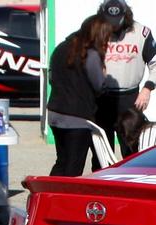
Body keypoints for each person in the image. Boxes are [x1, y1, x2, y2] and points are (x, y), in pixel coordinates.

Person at [47, 15, 113, 176]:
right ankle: (63, 200)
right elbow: (99, 86)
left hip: (55, 114)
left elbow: (51, 78)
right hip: (77, 119)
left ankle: (49, 195)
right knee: (73, 167)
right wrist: (104, 75)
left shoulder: (61, 48)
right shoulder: (90, 54)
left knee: (62, 161)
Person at [96, 0, 156, 158]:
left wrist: (147, 88)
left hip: (130, 99)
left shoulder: (141, 33)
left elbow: (155, 63)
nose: (114, 26)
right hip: (102, 98)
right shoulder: (95, 32)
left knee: (131, 150)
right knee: (101, 152)